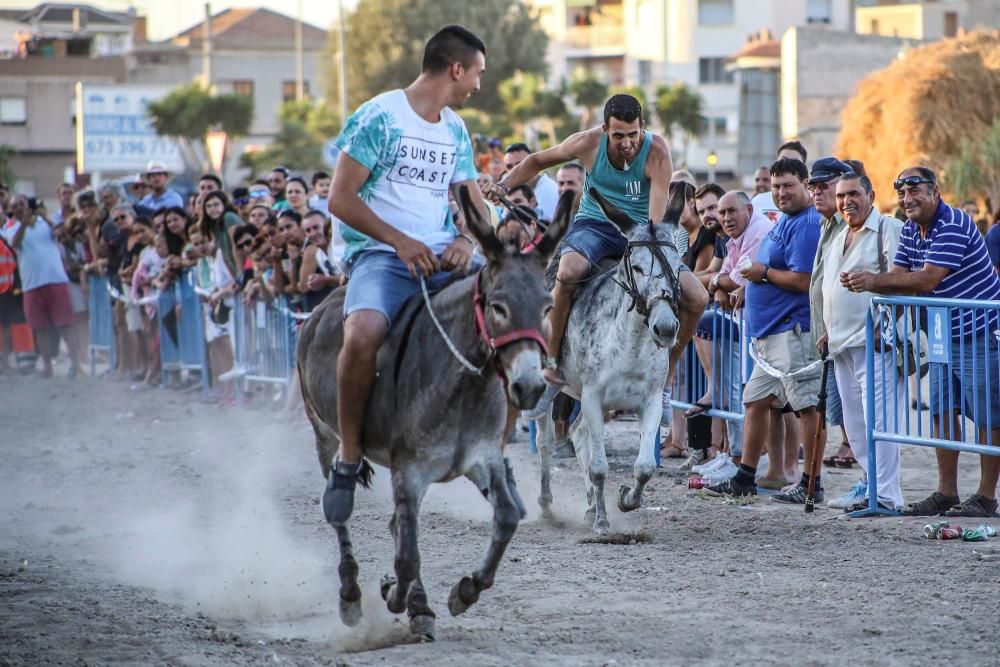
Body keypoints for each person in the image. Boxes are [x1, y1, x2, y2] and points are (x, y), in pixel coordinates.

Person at [324, 24, 488, 525]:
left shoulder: (455, 129)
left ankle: (488, 446)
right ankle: (349, 456)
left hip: (445, 254)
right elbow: (340, 198)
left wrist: (469, 239)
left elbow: (474, 202)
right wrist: (399, 240)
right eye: (477, 73)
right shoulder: (379, 116)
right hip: (380, 255)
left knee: (511, 310)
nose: (478, 85)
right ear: (456, 69)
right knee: (363, 332)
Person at [493, 94, 707, 420]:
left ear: (642, 128)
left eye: (633, 135)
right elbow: (536, 161)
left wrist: (650, 255)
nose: (626, 143)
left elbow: (656, 221)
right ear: (605, 128)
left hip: (640, 234)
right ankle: (550, 368)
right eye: (618, 135)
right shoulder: (586, 143)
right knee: (567, 271)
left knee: (698, 296)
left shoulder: (658, 152)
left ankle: (666, 372)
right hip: (595, 225)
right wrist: (504, 185)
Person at [844, 166, 1000, 518]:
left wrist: (872, 281)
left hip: (980, 330)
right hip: (943, 334)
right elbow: (900, 277)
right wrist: (881, 320)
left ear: (935, 192)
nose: (907, 198)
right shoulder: (912, 229)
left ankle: (987, 497)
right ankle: (947, 492)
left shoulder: (954, 223)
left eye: (915, 191)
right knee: (942, 411)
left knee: (989, 416)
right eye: (901, 193)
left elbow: (927, 280)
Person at [707, 157, 822, 501]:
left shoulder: (806, 223)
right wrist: (749, 287)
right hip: (769, 334)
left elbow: (803, 280)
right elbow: (766, 268)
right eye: (775, 186)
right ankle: (745, 478)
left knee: (806, 408)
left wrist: (764, 276)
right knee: (755, 401)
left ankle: (810, 484)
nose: (781, 192)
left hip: (792, 331)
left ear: (805, 184)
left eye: (788, 185)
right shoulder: (785, 220)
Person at [820, 172, 905, 512]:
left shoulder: (887, 229)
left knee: (880, 421)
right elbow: (831, 290)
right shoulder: (839, 233)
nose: (846, 201)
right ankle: (873, 487)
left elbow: (903, 282)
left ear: (870, 194)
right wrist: (827, 329)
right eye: (841, 196)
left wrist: (873, 285)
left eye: (854, 193)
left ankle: (887, 495)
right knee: (855, 424)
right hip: (841, 344)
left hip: (877, 342)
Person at [805, 157, 855, 472]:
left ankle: (872, 485)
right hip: (829, 335)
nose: (818, 192)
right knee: (841, 408)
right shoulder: (826, 224)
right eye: (814, 186)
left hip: (850, 335)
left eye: (825, 185)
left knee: (857, 411)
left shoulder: (849, 225)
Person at [2, 195, 85, 378]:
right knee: (40, 327)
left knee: (66, 324)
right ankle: (47, 366)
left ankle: (76, 364)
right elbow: (15, 243)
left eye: (21, 204)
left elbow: (61, 234)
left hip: (56, 280)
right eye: (14, 206)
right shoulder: (11, 229)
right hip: (32, 284)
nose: (18, 208)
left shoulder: (44, 223)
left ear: (28, 206)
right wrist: (24, 223)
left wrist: (44, 217)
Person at [298, 209, 344, 312]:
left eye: (316, 227)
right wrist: (317, 281)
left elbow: (348, 279)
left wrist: (325, 280)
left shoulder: (339, 247)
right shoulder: (319, 255)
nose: (313, 233)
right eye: (308, 230)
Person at [751, 141, 807, 224]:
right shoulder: (758, 201)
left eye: (795, 162)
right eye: (783, 160)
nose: (787, 166)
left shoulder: (814, 204)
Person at [503, 143, 560, 221]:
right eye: (509, 166)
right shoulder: (511, 190)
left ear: (532, 164)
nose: (514, 170)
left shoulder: (549, 190)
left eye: (519, 165)